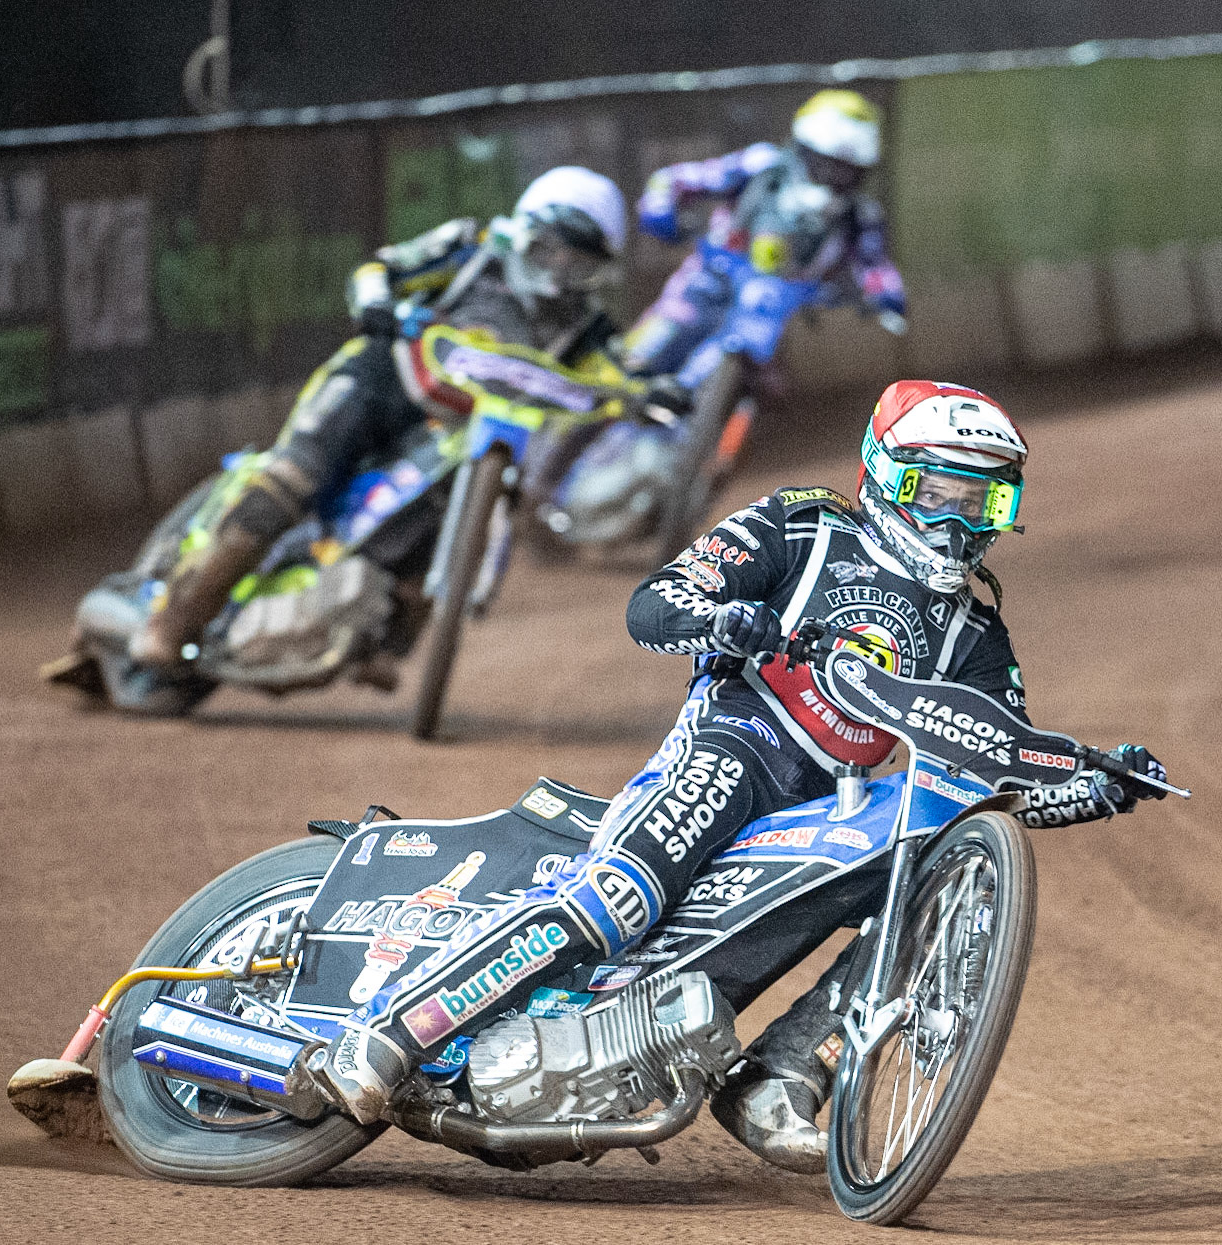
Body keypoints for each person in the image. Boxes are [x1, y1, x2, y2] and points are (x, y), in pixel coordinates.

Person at [312, 379, 1169, 1176]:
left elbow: (995, 766)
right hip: (732, 744)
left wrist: (1092, 785)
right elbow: (651, 605)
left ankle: (780, 1071)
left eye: (982, 500)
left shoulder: (978, 624)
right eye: (937, 494)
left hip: (827, 807)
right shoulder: (803, 524)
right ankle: (387, 1033)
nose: (956, 522)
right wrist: (722, 616)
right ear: (885, 476)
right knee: (620, 897)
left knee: (934, 856)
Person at [77, 167, 634, 690]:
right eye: (550, 250)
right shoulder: (471, 247)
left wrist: (657, 391)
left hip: (467, 434)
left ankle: (379, 640)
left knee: (444, 526)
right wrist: (377, 304)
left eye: (578, 262)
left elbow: (623, 373)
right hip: (384, 379)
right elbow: (381, 270)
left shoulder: (588, 325)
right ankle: (172, 623)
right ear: (524, 231)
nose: (560, 271)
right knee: (294, 479)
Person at [620, 88, 907, 383]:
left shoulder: (860, 216)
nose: (838, 179)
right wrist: (660, 211)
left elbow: (876, 267)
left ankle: (693, 408)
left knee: (718, 377)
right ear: (805, 150)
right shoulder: (761, 165)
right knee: (642, 352)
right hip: (709, 280)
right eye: (830, 165)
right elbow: (676, 180)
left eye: (850, 171)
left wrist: (887, 297)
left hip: (768, 311)